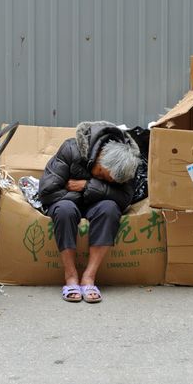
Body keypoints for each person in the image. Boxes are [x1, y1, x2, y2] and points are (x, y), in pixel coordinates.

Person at [37, 121, 141, 303]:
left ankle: (89, 277)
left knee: (110, 209)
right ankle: (70, 277)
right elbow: (47, 192)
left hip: (95, 203)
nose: (100, 177)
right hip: (66, 201)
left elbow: (125, 199)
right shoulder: (71, 149)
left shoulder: (127, 162)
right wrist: (87, 194)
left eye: (107, 181)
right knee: (64, 210)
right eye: (100, 174)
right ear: (100, 157)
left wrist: (87, 186)